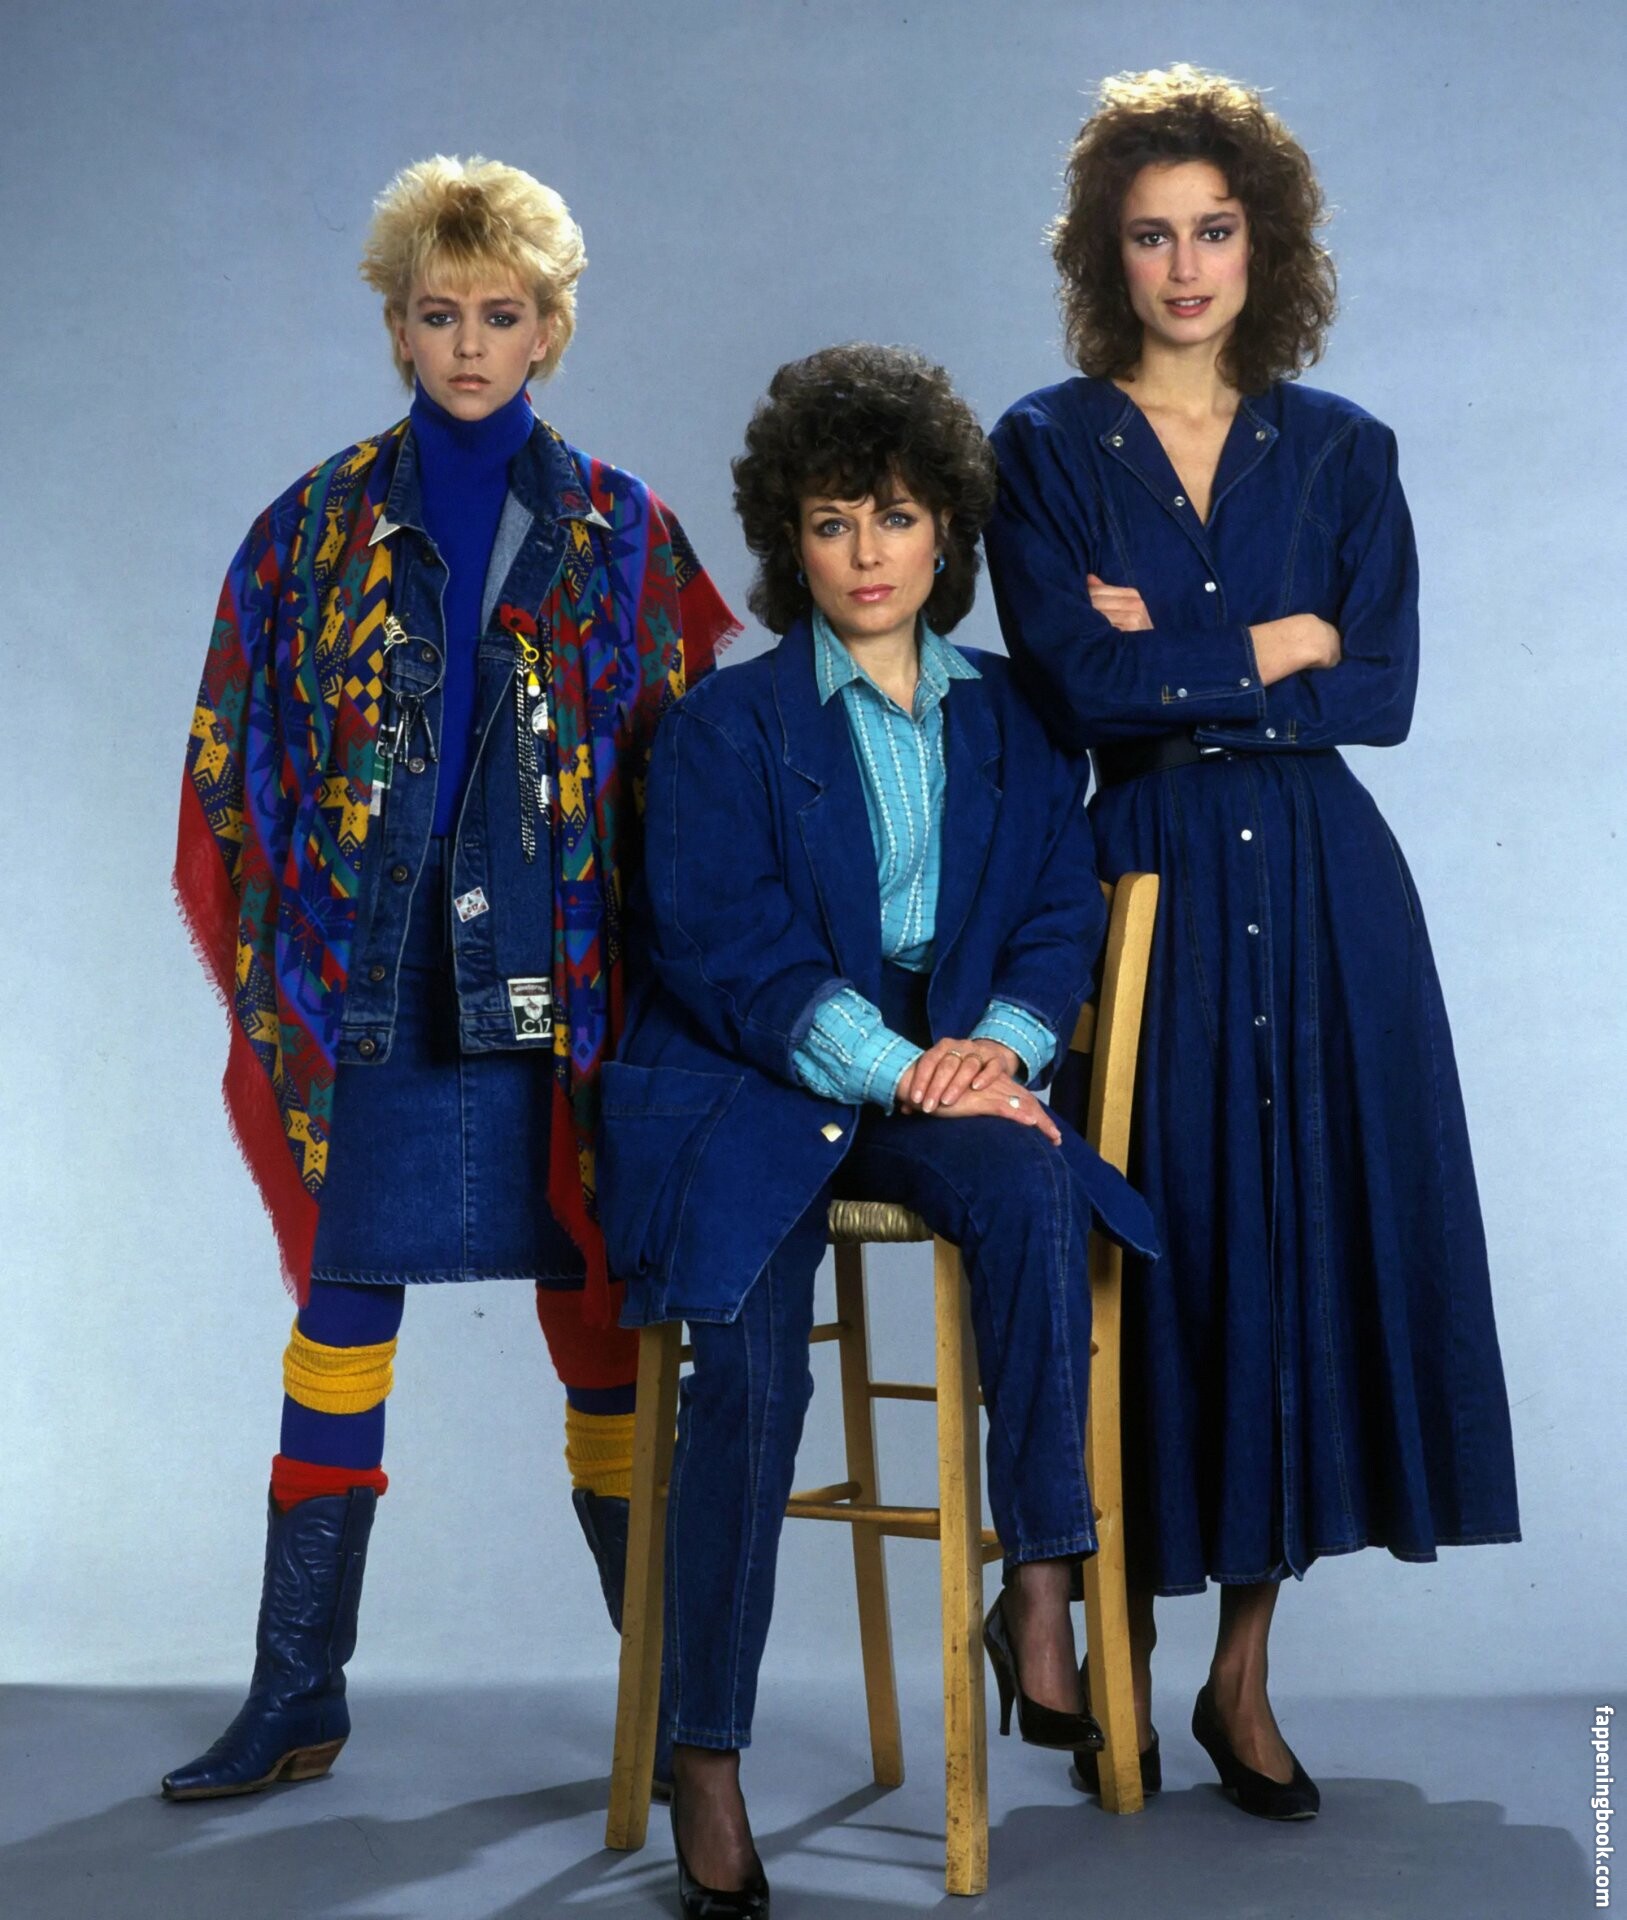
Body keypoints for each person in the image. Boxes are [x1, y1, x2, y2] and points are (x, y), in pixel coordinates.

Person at [984, 66, 1520, 1821]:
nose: (1186, 267)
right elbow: (1082, 685)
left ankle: (1239, 1679)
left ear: (1263, 245)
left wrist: (1198, 650)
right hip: (1138, 887)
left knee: (1292, 1258)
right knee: (1150, 1253)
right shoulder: (1045, 447)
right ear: (1106, 255)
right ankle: (1103, 1642)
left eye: (1215, 230)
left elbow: (1386, 689)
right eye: (1152, 236)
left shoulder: (1346, 449)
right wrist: (1278, 638)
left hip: (1325, 891)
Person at [165, 156, 738, 1799]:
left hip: (565, 987)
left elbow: (685, 779)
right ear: (398, 328)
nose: (470, 344)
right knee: (341, 1312)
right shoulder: (309, 530)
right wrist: (311, 926)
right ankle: (295, 1694)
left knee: (598, 1325)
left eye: (501, 314)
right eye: (439, 314)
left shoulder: (627, 533)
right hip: (375, 981)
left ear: (550, 328)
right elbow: (239, 761)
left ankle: (671, 1711)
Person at [598, 343, 1157, 1915]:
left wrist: (1002, 1049)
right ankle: (707, 1751)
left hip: (940, 1079)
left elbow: (1057, 912)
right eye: (832, 521)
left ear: (945, 533)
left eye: (896, 518)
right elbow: (728, 951)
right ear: (792, 537)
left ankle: (1034, 1587)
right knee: (754, 1373)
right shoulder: (725, 726)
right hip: (754, 1090)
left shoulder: (1017, 720)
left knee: (1034, 1184)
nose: (865, 554)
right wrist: (904, 1066)